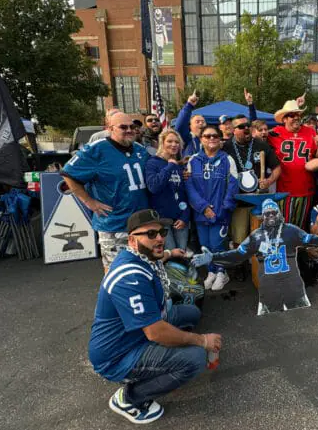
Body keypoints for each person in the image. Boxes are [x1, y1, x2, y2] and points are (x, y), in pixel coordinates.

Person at [89, 209, 221, 424]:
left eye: (161, 232)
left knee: (191, 313)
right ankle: (130, 398)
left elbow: (160, 256)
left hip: (137, 332)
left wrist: (172, 253)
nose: (159, 238)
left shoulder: (144, 254)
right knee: (196, 358)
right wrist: (202, 341)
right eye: (151, 234)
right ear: (132, 240)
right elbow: (155, 332)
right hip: (119, 354)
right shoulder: (130, 277)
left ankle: (170, 351)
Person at [191, 199, 318, 315]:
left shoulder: (291, 230)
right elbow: (237, 255)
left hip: (293, 285)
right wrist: (213, 258)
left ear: (280, 214)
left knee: (301, 316)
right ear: (263, 217)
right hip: (269, 287)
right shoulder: (256, 236)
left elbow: (311, 239)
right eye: (267, 213)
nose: (271, 216)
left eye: (274, 212)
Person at [62, 112, 150, 271]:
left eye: (132, 127)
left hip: (140, 222)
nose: (129, 130)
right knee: (115, 270)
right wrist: (89, 202)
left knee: (141, 268)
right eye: (123, 127)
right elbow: (68, 174)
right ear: (110, 129)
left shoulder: (140, 149)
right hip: (114, 224)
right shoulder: (96, 149)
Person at [186, 125, 240, 291]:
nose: (211, 139)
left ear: (220, 139)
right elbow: (189, 187)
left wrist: (222, 209)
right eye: (207, 136)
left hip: (220, 213)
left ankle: (222, 272)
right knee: (205, 245)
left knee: (217, 244)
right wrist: (203, 208)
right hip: (201, 213)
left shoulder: (227, 159)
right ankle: (211, 271)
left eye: (215, 136)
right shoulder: (193, 160)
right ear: (201, 139)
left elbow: (233, 186)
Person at [223, 113, 281, 247]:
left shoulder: (261, 145)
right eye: (241, 126)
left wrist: (268, 181)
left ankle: (257, 266)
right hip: (238, 201)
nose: (246, 128)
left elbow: (277, 168)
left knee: (261, 239)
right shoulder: (226, 147)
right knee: (239, 239)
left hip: (259, 200)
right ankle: (240, 266)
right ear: (233, 130)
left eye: (248, 125)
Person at [269, 98, 318, 229]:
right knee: (283, 225)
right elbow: (257, 131)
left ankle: (297, 249)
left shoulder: (310, 131)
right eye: (292, 115)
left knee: (300, 227)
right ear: (284, 119)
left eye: (298, 115)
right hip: (284, 189)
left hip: (306, 187)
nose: (296, 118)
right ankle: (284, 249)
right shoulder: (275, 133)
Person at [144, 129, 190, 251]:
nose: (174, 145)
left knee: (182, 254)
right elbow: (154, 187)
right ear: (162, 143)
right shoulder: (152, 163)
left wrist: (185, 216)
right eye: (169, 141)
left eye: (177, 142)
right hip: (162, 220)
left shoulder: (179, 166)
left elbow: (183, 194)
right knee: (170, 256)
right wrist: (170, 167)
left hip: (180, 219)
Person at [174, 90, 205, 156]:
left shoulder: (210, 139)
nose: (201, 123)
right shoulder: (187, 138)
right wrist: (189, 105)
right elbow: (180, 126)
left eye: (203, 121)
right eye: (197, 121)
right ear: (190, 126)